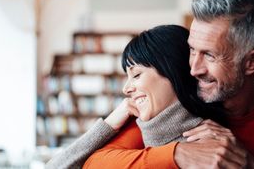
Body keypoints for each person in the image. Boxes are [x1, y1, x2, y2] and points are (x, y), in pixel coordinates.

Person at [83, 0, 254, 168]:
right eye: (192, 50)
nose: (193, 69)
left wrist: (248, 165)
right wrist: (177, 154)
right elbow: (94, 163)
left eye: (210, 55)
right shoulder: (172, 105)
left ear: (252, 62)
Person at [46, 25, 226, 169]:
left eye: (137, 75)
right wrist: (109, 124)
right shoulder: (140, 130)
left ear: (173, 72)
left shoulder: (207, 149)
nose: (126, 89)